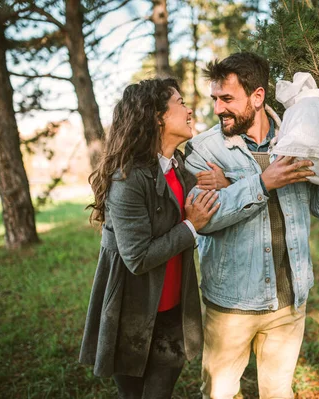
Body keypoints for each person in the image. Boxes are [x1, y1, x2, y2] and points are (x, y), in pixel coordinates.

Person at [185, 52, 319, 399]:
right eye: (215, 98)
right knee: (218, 394)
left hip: (290, 302)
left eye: (227, 98)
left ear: (257, 97)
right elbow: (206, 219)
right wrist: (262, 183)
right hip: (231, 305)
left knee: (278, 392)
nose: (217, 108)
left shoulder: (297, 140)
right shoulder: (202, 151)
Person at [79, 78, 223, 399]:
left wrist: (223, 181)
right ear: (158, 116)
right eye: (180, 103)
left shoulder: (180, 165)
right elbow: (137, 258)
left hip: (173, 310)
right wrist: (191, 226)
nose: (189, 110)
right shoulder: (127, 178)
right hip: (131, 313)